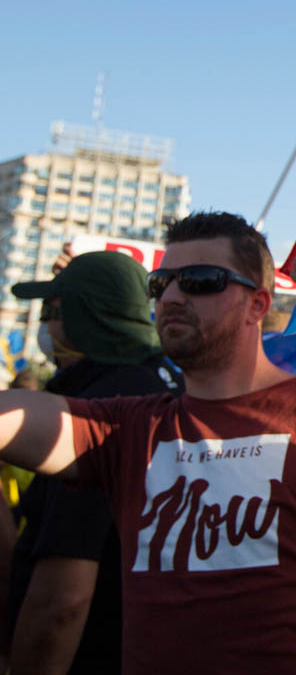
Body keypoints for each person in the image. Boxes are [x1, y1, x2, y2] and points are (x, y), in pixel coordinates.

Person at [0, 212, 296, 674]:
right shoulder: (130, 428)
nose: (172, 297)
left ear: (258, 304)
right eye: (160, 284)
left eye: (200, 281)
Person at [5, 251, 181, 675]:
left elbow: (62, 599)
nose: (47, 325)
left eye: (53, 310)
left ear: (86, 319)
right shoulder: (168, 385)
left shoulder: (104, 408)